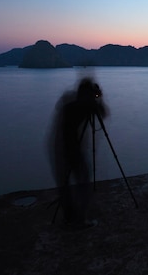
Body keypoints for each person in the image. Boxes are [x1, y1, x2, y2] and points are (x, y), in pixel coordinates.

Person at [49, 77, 108, 228]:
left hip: (72, 147)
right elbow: (67, 134)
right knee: (70, 182)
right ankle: (75, 220)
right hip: (62, 147)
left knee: (80, 181)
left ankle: (76, 217)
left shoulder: (83, 104)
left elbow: (104, 113)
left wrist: (99, 100)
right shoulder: (71, 105)